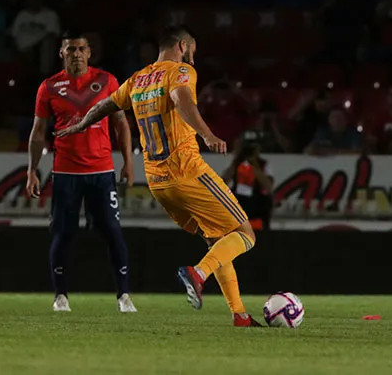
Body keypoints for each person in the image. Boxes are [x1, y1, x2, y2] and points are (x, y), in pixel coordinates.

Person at [56, 25, 262, 327]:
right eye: (192, 49)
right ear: (182, 45)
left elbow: (104, 106)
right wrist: (206, 133)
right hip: (187, 170)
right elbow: (181, 100)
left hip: (157, 181)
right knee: (245, 234)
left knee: (216, 239)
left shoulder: (138, 78)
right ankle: (197, 273)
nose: (193, 57)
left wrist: (79, 125)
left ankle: (239, 314)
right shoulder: (179, 71)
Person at [26, 32, 136, 313]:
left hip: (102, 172)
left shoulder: (107, 81)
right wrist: (32, 171)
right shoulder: (49, 87)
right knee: (63, 233)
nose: (76, 53)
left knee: (113, 231)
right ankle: (60, 296)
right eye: (70, 49)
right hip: (66, 173)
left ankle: (124, 296)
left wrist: (128, 161)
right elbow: (38, 133)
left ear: (90, 53)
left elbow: (121, 123)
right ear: (61, 54)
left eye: (81, 49)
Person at [222, 132, 274, 231]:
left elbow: (268, 186)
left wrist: (253, 164)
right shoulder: (236, 163)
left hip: (256, 202)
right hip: (239, 201)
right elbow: (223, 182)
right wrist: (237, 161)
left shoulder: (264, 164)